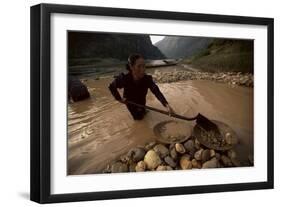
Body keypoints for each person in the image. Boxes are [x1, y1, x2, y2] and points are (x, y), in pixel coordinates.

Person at [108, 53, 175, 120]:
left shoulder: (147, 79)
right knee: (138, 118)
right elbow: (111, 86)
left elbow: (155, 90)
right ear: (131, 67)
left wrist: (166, 105)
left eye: (144, 66)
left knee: (143, 112)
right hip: (130, 102)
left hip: (141, 100)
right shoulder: (124, 78)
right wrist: (119, 99)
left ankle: (143, 111)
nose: (143, 69)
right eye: (139, 66)